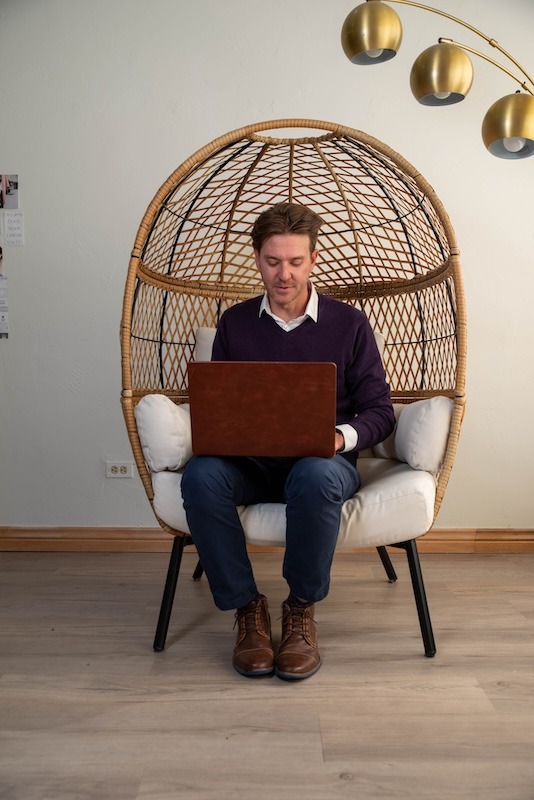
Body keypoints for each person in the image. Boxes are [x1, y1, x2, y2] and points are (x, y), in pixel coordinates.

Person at [181, 203, 395, 681]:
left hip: (322, 463)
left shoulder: (350, 324)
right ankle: (247, 611)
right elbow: (220, 408)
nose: (284, 274)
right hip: (251, 464)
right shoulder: (234, 325)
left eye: (296, 262)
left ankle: (300, 611)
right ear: (257, 258)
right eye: (274, 261)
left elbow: (381, 413)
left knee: (315, 472)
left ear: (313, 260)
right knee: (201, 474)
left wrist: (339, 436)